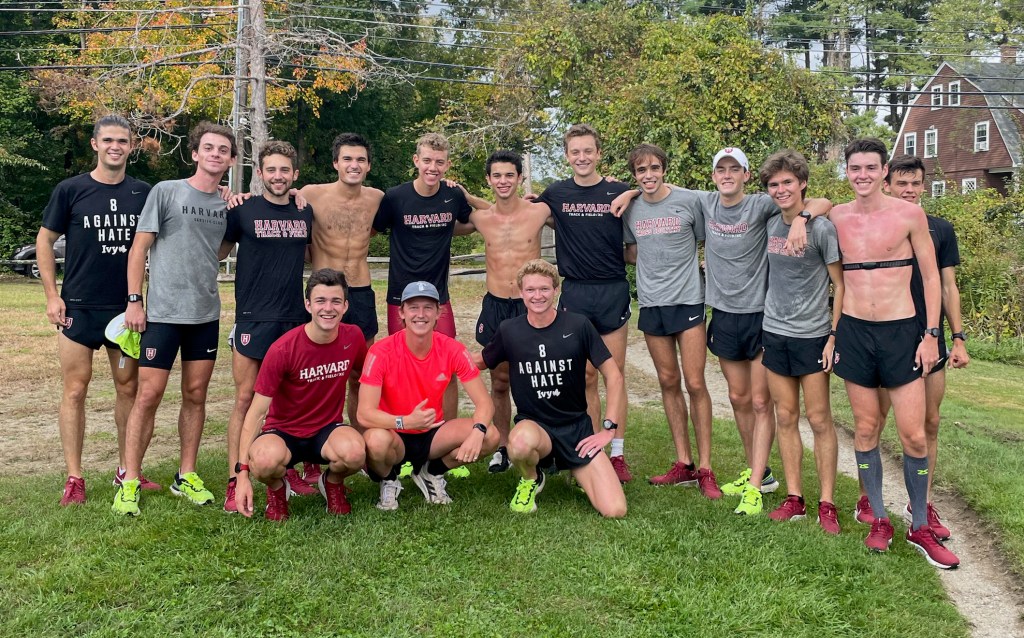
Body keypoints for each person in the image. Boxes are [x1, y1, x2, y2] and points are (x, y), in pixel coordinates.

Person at [612, 148, 831, 501]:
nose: (727, 175)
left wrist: (803, 218)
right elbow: (654, 191)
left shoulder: (761, 203)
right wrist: (629, 191)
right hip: (722, 312)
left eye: (735, 169)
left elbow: (824, 201)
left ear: (746, 175)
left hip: (760, 313)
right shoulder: (705, 201)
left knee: (760, 402)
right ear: (713, 176)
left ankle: (755, 476)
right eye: (721, 169)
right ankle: (756, 472)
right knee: (738, 396)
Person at [830, 138, 959, 568]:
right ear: (846, 172)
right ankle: (879, 519)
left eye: (870, 167)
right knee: (866, 430)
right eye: (855, 168)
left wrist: (931, 335)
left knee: (915, 435)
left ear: (884, 171)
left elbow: (931, 279)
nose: (862, 175)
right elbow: (805, 204)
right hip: (854, 332)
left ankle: (919, 524)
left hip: (902, 332)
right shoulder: (836, 216)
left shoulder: (908, 213)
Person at [112, 121, 236, 516]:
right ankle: (129, 480)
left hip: (205, 314)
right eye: (209, 148)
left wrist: (236, 211)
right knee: (148, 395)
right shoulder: (166, 192)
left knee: (196, 395)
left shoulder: (227, 204)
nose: (216, 155)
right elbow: (138, 249)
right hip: (163, 313)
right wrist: (135, 301)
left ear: (232, 160)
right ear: (195, 153)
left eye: (224, 150)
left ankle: (186, 475)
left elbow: (217, 253)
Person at [36, 115, 155, 505]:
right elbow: (45, 241)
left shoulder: (144, 193)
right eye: (108, 140)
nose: (115, 146)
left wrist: (225, 196)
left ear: (131, 146)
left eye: (123, 140)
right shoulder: (71, 190)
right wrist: (53, 295)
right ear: (95, 144)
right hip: (78, 310)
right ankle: (75, 477)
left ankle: (127, 472)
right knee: (75, 389)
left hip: (125, 311)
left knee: (128, 389)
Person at [475, 259, 627, 517]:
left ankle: (578, 470)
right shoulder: (509, 330)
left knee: (615, 510)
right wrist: (437, 357)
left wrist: (608, 429)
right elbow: (478, 362)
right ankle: (531, 479)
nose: (538, 296)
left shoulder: (578, 325)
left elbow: (614, 376)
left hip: (576, 431)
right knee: (520, 443)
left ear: (556, 290)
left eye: (544, 289)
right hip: (535, 429)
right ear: (521, 293)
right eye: (531, 290)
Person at [619, 144, 720, 499]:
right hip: (651, 303)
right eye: (641, 170)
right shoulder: (631, 209)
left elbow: (718, 227)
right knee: (667, 380)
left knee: (695, 382)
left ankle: (706, 468)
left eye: (654, 168)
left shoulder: (690, 200)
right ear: (634, 174)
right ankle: (684, 463)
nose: (648, 175)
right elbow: (630, 251)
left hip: (689, 300)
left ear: (664, 169)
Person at [534, 124, 634, 482]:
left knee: (615, 375)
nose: (582, 157)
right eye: (575, 152)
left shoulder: (619, 190)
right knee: (586, 376)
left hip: (612, 290)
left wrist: (635, 189)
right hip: (575, 291)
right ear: (566, 156)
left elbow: (656, 192)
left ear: (598, 153)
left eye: (588, 151)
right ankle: (594, 448)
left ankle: (618, 452)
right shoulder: (556, 193)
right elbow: (516, 209)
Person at [221, 141, 315, 513]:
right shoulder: (242, 210)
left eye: (285, 170)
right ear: (259, 173)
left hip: (293, 317)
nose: (278, 176)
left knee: (288, 400)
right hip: (252, 318)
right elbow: (219, 252)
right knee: (246, 399)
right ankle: (234, 478)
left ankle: (285, 467)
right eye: (271, 170)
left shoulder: (304, 211)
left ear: (294, 175)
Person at [233, 269, 367, 521]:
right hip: (283, 433)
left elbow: (363, 380)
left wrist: (367, 429)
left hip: (327, 430)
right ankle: (277, 489)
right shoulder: (283, 349)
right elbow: (257, 412)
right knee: (263, 461)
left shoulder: (354, 337)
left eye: (335, 301)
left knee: (355, 452)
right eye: (320, 301)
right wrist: (242, 474)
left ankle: (332, 482)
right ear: (308, 305)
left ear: (346, 305)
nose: (328, 308)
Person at [756, 150, 844, 530]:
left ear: (802, 183)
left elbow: (840, 285)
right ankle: (795, 497)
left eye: (788, 182)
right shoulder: (772, 224)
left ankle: (827, 501)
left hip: (812, 335)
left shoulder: (821, 228)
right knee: (786, 416)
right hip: (774, 332)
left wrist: (833, 336)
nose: (780, 189)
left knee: (820, 418)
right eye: (774, 184)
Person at [357, 281, 498, 510]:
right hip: (394, 433)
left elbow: (485, 403)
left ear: (438, 313)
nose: (420, 314)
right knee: (375, 441)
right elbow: (364, 414)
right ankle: (389, 479)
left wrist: (478, 430)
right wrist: (405, 420)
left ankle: (431, 472)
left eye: (428, 307)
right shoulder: (381, 351)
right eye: (413, 307)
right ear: (401, 312)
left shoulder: (452, 348)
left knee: (489, 435)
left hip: (433, 434)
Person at [461, 150, 552, 473]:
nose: (503, 181)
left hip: (531, 306)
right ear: (489, 179)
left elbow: (580, 211)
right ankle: (501, 446)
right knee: (500, 381)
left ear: (519, 178)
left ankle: (543, 443)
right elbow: (436, 222)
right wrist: (464, 196)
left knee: (538, 378)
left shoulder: (540, 211)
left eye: (509, 175)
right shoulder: (479, 218)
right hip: (497, 304)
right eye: (496, 176)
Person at [372, 133, 473, 425]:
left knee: (449, 365)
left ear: (447, 165)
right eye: (427, 160)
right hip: (400, 296)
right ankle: (399, 436)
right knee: (397, 367)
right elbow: (372, 230)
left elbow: (469, 223)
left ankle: (448, 436)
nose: (433, 167)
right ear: (416, 160)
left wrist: (464, 198)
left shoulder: (452, 196)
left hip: (438, 296)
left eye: (439, 162)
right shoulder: (395, 197)